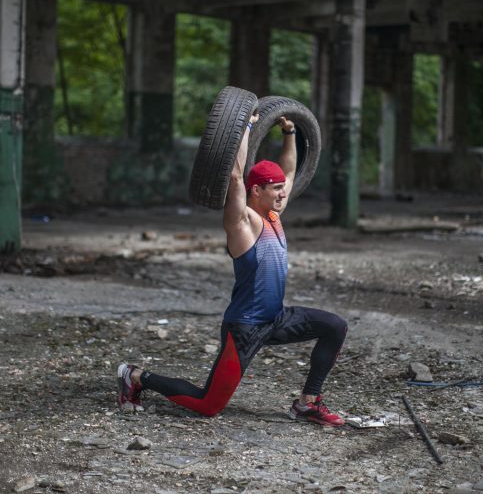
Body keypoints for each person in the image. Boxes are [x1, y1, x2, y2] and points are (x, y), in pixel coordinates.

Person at [116, 110, 348, 426]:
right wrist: (245, 126)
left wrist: (290, 132)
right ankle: (136, 376)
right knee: (208, 404)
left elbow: (291, 172)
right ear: (256, 191)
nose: (283, 193)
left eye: (282, 188)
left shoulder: (274, 215)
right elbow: (236, 175)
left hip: (276, 318)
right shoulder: (243, 224)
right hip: (245, 328)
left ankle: (308, 402)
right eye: (276, 189)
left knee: (335, 326)